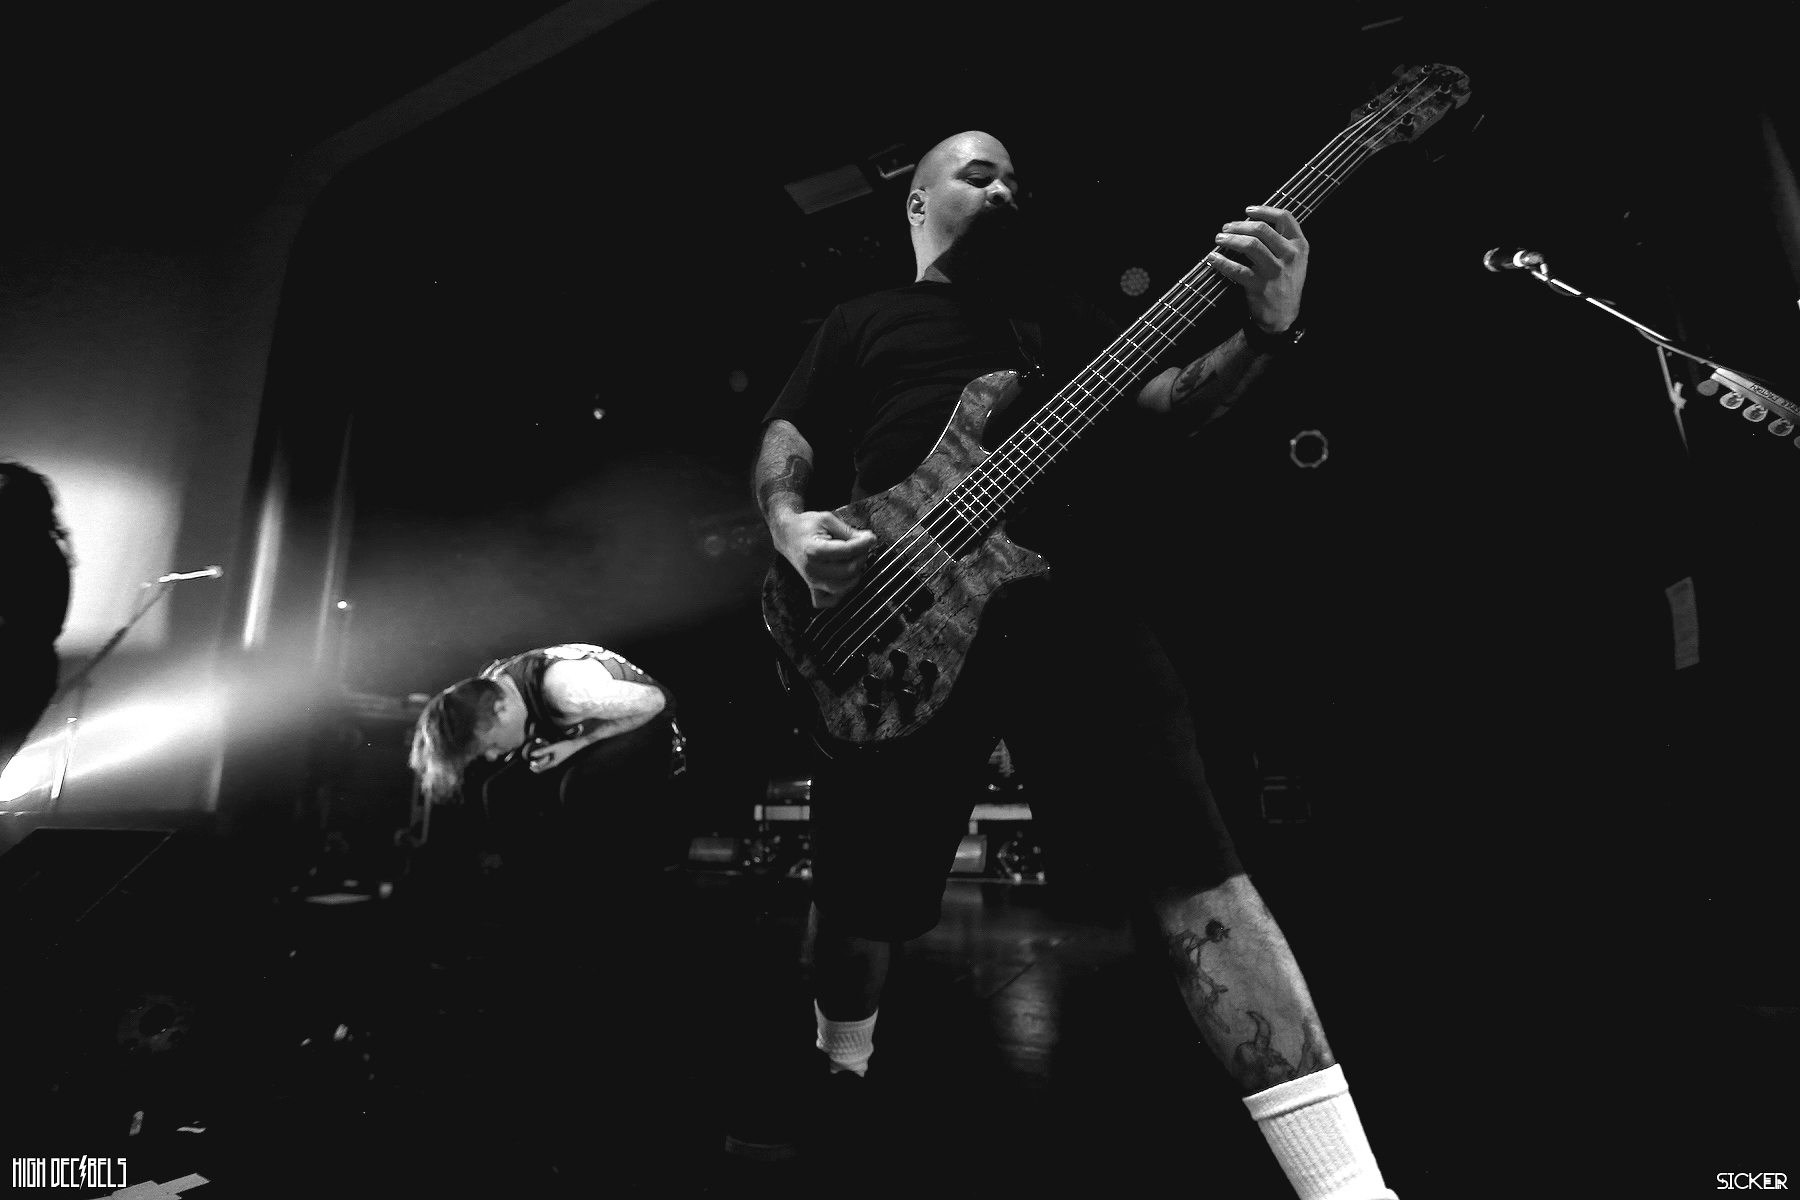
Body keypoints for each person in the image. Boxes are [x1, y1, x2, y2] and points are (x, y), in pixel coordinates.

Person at [745, 131, 1395, 1197]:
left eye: (1015, 177)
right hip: (885, 622)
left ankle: (1347, 1186)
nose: (1005, 187)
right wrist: (789, 526)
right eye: (978, 173)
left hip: (1068, 598)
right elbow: (791, 431)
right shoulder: (862, 319)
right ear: (915, 203)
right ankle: (840, 1068)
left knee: (1197, 869)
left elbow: (1175, 402)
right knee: (861, 899)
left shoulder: (1059, 316)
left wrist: (1269, 330)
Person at [407, 642, 684, 875]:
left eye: (491, 745)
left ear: (501, 710)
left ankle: (613, 874)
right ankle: (536, 882)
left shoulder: (567, 691)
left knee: (581, 786)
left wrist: (576, 744)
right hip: (588, 726)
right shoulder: (494, 686)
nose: (492, 756)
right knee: (500, 789)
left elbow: (657, 701)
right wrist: (545, 743)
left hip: (648, 724)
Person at [0, 462, 72, 780]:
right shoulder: (42, 550)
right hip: (28, 672)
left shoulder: (29, 552)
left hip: (17, 672)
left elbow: (28, 629)